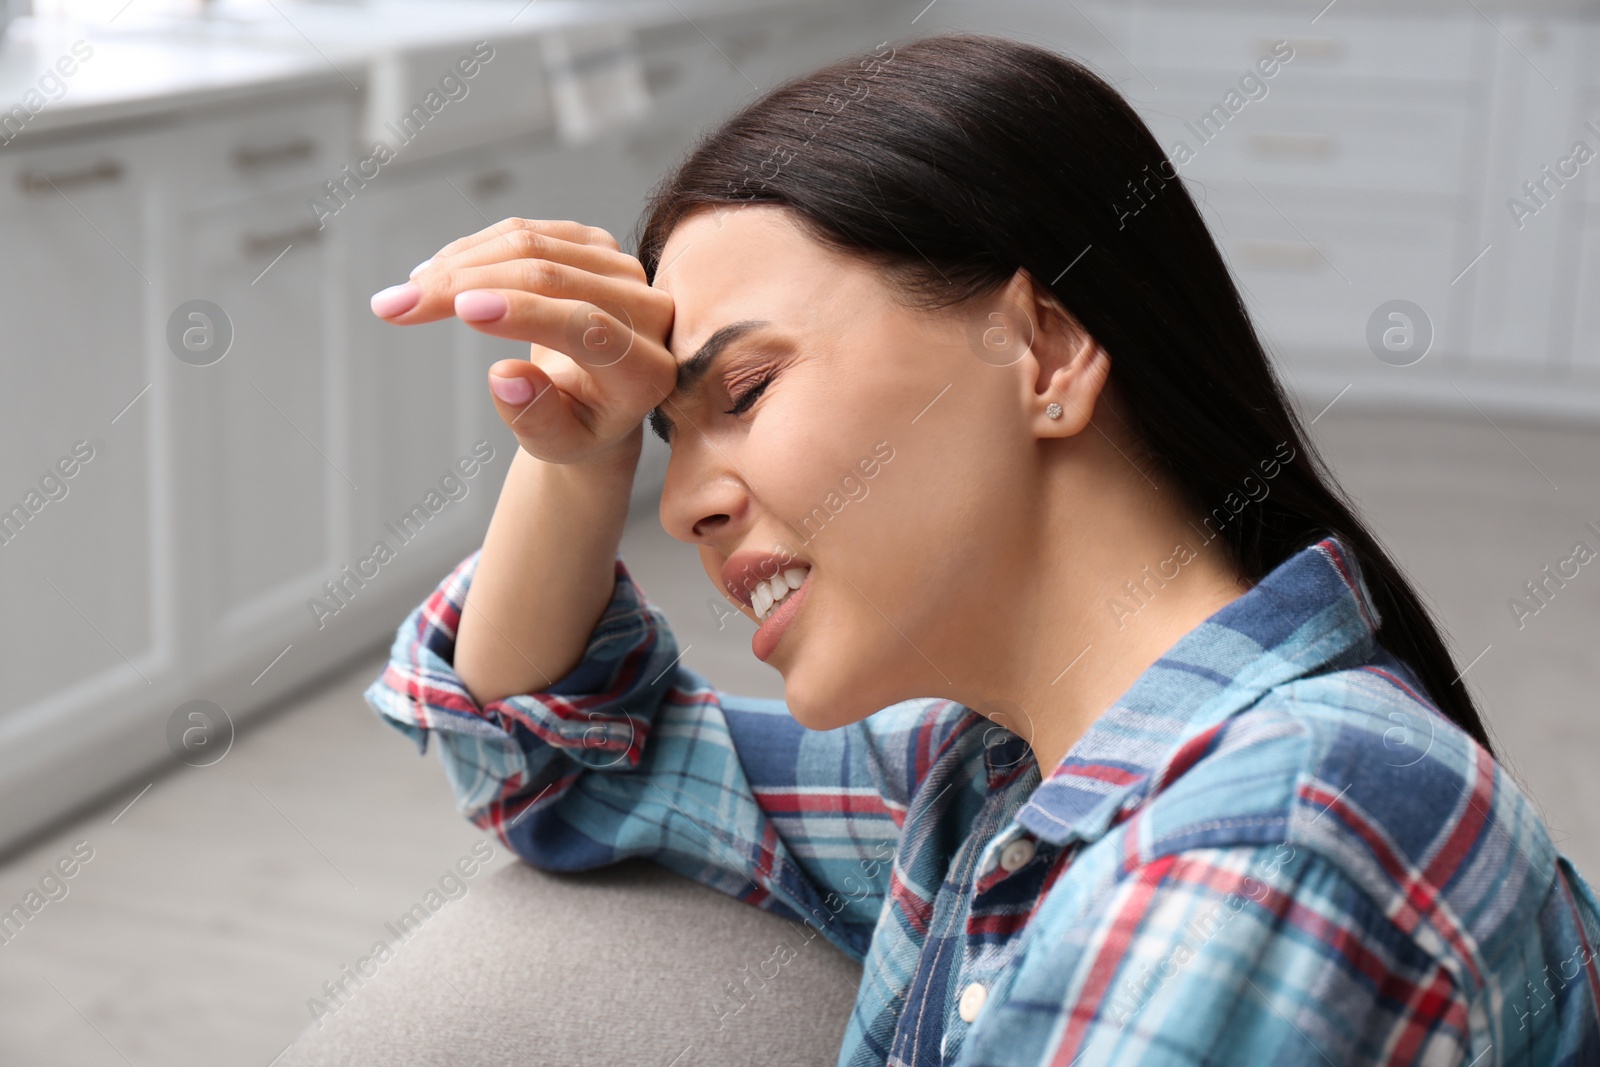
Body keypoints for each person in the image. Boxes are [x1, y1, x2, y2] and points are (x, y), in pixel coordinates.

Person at [363, 31, 1600, 1066]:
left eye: (741, 389)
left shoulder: (1260, 851)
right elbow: (555, 751)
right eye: (664, 436)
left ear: (1045, 350)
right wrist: (578, 459)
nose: (681, 499)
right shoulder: (1005, 774)